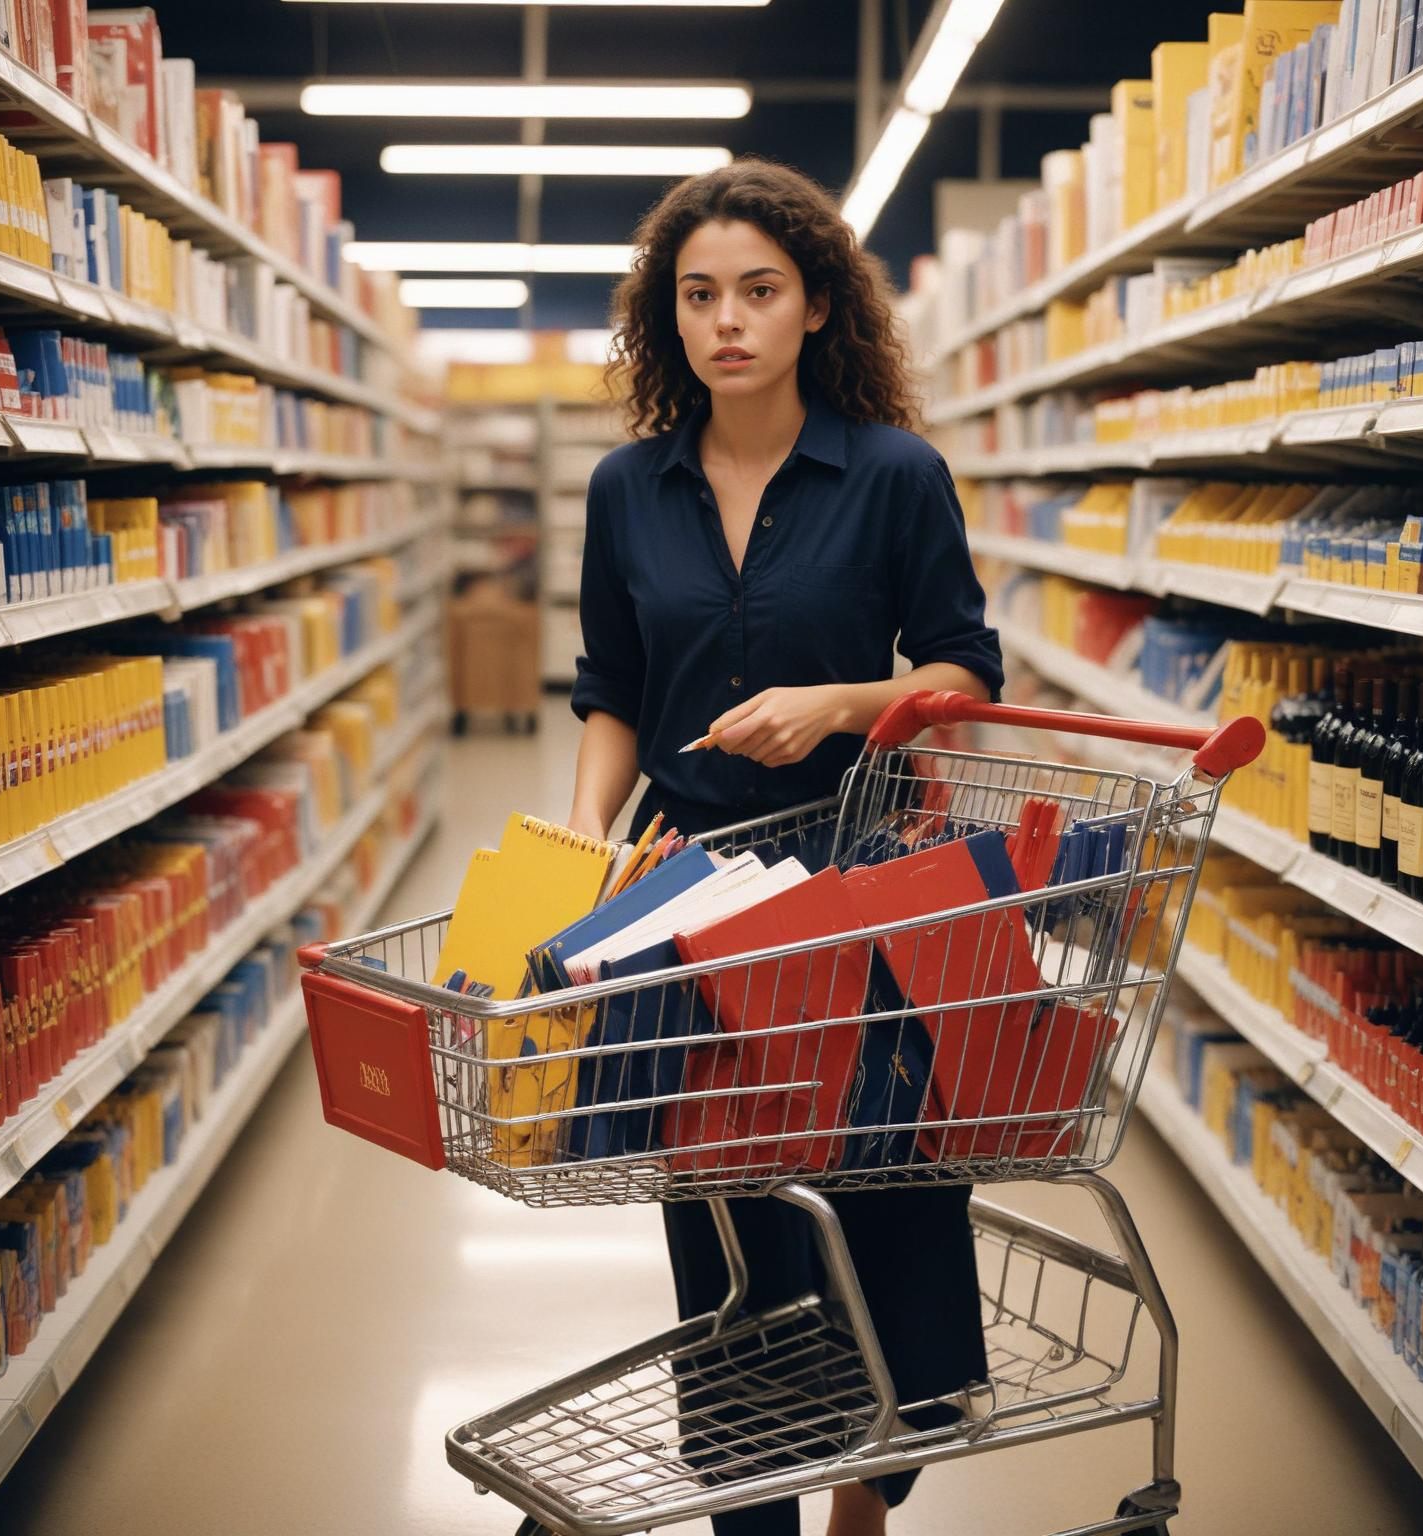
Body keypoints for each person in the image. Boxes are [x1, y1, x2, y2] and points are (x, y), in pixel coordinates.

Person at [565, 157, 1005, 1536]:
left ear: (817, 305)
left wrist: (846, 703)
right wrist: (585, 830)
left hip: (864, 880)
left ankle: (869, 1498)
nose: (728, 320)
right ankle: (750, 1507)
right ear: (667, 317)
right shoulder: (628, 489)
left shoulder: (893, 475)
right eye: (697, 295)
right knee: (730, 1221)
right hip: (691, 896)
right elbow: (614, 685)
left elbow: (965, 670)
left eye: (759, 290)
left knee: (891, 1196)